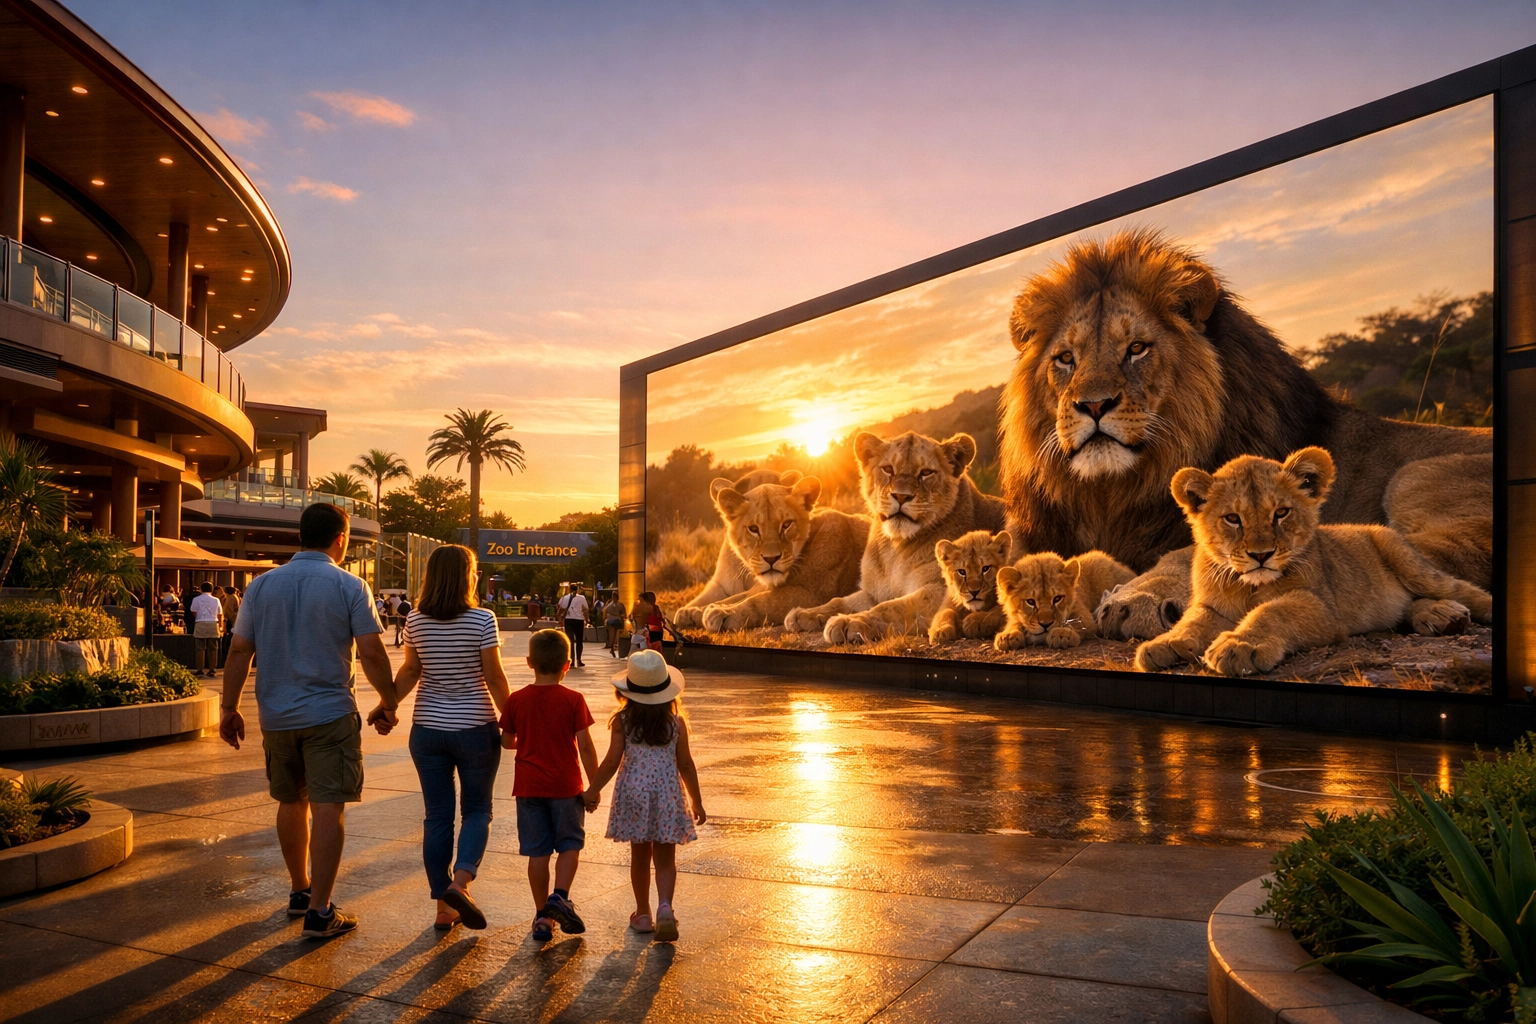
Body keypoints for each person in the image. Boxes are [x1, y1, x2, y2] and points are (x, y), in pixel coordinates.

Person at [218, 502, 397, 940]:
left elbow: (240, 650)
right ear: (341, 539)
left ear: (301, 535)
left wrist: (229, 707)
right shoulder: (350, 585)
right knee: (327, 807)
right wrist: (389, 700)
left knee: (290, 801)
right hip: (329, 714)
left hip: (276, 716)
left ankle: (300, 892)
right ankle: (320, 912)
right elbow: (372, 651)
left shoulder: (261, 586)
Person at [372, 545, 510, 933]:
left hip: (428, 729)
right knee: (478, 811)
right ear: (469, 576)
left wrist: (387, 704)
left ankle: (443, 907)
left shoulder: (416, 619)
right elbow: (495, 677)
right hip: (475, 727)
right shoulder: (483, 619)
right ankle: (459, 885)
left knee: (437, 817)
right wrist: (515, 720)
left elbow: (411, 670)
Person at [583, 649, 706, 942]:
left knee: (640, 856)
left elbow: (612, 761)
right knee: (665, 858)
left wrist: (592, 790)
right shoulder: (676, 723)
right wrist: (696, 799)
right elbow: (685, 764)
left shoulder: (623, 721)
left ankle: (642, 913)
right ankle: (665, 908)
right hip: (667, 796)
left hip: (634, 796)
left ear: (628, 691)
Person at [499, 629, 599, 942]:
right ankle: (560, 896)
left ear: (530, 662)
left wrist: (528, 743)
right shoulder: (574, 699)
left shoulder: (516, 700)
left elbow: (506, 741)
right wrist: (593, 786)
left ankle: (542, 917)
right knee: (570, 845)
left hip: (528, 787)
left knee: (538, 853)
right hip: (565, 786)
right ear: (566, 664)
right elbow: (585, 746)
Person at [190, 582, 224, 678]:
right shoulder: (216, 600)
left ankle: (200, 669)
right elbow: (220, 614)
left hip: (200, 623)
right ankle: (212, 669)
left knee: (199, 648)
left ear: (201, 589)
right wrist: (221, 627)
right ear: (212, 589)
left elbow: (194, 612)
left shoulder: (196, 599)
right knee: (213, 648)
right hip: (213, 623)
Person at [558, 584, 590, 668]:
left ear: (569, 589)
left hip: (568, 620)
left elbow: (561, 607)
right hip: (579, 620)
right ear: (577, 589)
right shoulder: (582, 598)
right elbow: (585, 609)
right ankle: (579, 660)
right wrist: (587, 619)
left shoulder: (565, 598)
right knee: (579, 641)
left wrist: (560, 618)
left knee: (570, 641)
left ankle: (571, 660)